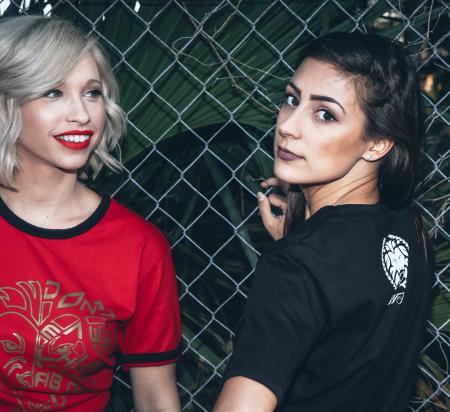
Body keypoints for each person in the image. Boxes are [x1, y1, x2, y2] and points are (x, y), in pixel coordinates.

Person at [214, 32, 432, 412]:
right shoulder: (409, 228)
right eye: (291, 99)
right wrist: (304, 238)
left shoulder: (297, 269)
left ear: (378, 144)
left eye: (325, 114)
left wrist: (300, 253)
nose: (288, 126)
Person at [0, 15, 181, 411]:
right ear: (7, 103)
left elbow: (155, 397)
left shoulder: (140, 248)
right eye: (53, 92)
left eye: (93, 93)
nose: (81, 115)